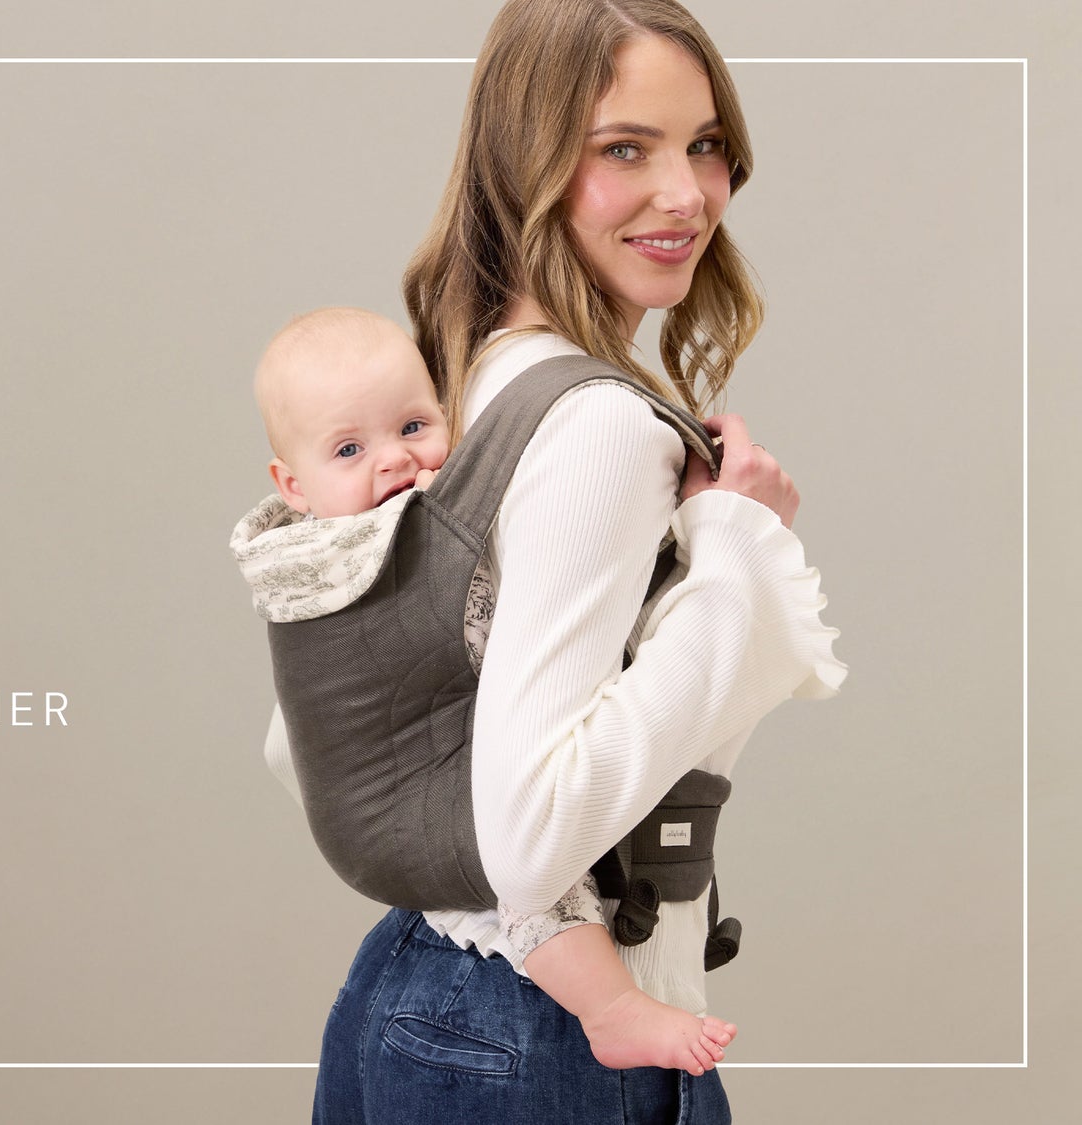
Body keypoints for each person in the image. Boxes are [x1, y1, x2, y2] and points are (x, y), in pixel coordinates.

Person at [264, 1, 848, 1121]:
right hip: (541, 1042)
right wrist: (737, 543)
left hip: (414, 992)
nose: (684, 194)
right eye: (622, 149)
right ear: (520, 162)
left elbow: (313, 735)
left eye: (706, 145)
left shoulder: (449, 384)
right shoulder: (598, 428)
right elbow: (530, 844)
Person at [238, 304, 737, 1076]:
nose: (394, 462)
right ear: (291, 484)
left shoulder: (297, 552)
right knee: (532, 863)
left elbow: (285, 745)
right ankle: (609, 1008)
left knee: (512, 856)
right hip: (467, 963)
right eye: (349, 448)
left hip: (387, 917)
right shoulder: (377, 551)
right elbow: (507, 651)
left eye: (412, 427)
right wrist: (734, 543)